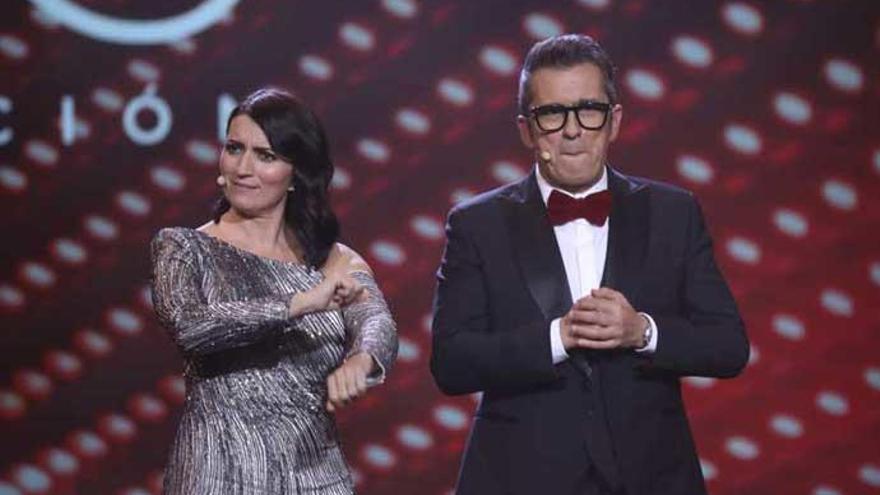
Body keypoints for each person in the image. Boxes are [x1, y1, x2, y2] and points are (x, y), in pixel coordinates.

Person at [430, 34, 749, 495]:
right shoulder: (477, 224)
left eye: (588, 109)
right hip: (520, 479)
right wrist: (557, 337)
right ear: (526, 128)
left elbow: (728, 346)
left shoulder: (673, 213)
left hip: (652, 477)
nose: (573, 129)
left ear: (614, 120)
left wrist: (642, 331)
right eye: (552, 114)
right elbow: (451, 363)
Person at [150, 87, 398, 494]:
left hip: (315, 475)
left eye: (265, 155)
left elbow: (376, 321)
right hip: (217, 474)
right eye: (234, 148)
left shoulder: (333, 259)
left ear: (296, 173)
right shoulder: (182, 248)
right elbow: (190, 326)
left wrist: (362, 360)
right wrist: (298, 303)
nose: (243, 167)